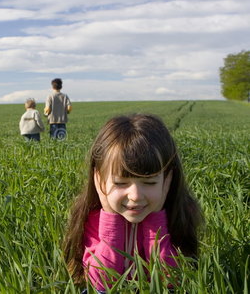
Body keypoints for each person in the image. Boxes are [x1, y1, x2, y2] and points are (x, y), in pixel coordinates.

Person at [63, 114, 202, 292]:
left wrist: (156, 220)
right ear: (99, 179)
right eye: (121, 183)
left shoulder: (177, 213)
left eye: (150, 183)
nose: (135, 196)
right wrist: (110, 218)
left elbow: (171, 280)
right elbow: (102, 283)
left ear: (167, 179)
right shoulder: (93, 218)